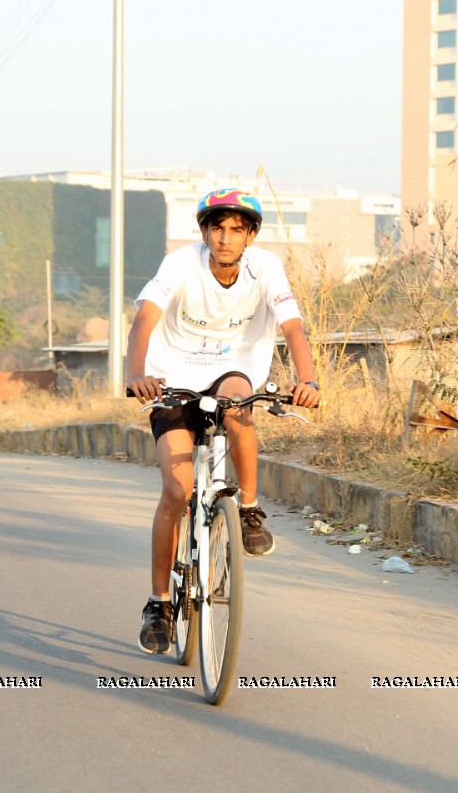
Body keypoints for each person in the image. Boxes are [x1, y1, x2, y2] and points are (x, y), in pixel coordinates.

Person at [125, 187, 321, 655]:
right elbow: (144, 319)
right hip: (172, 375)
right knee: (175, 492)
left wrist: (307, 379)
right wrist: (137, 373)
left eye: (236, 229)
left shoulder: (266, 267)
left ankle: (249, 510)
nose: (225, 238)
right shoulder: (180, 263)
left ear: (250, 235)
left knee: (237, 408)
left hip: (234, 369)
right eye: (217, 228)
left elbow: (292, 326)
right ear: (205, 232)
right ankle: (159, 602)